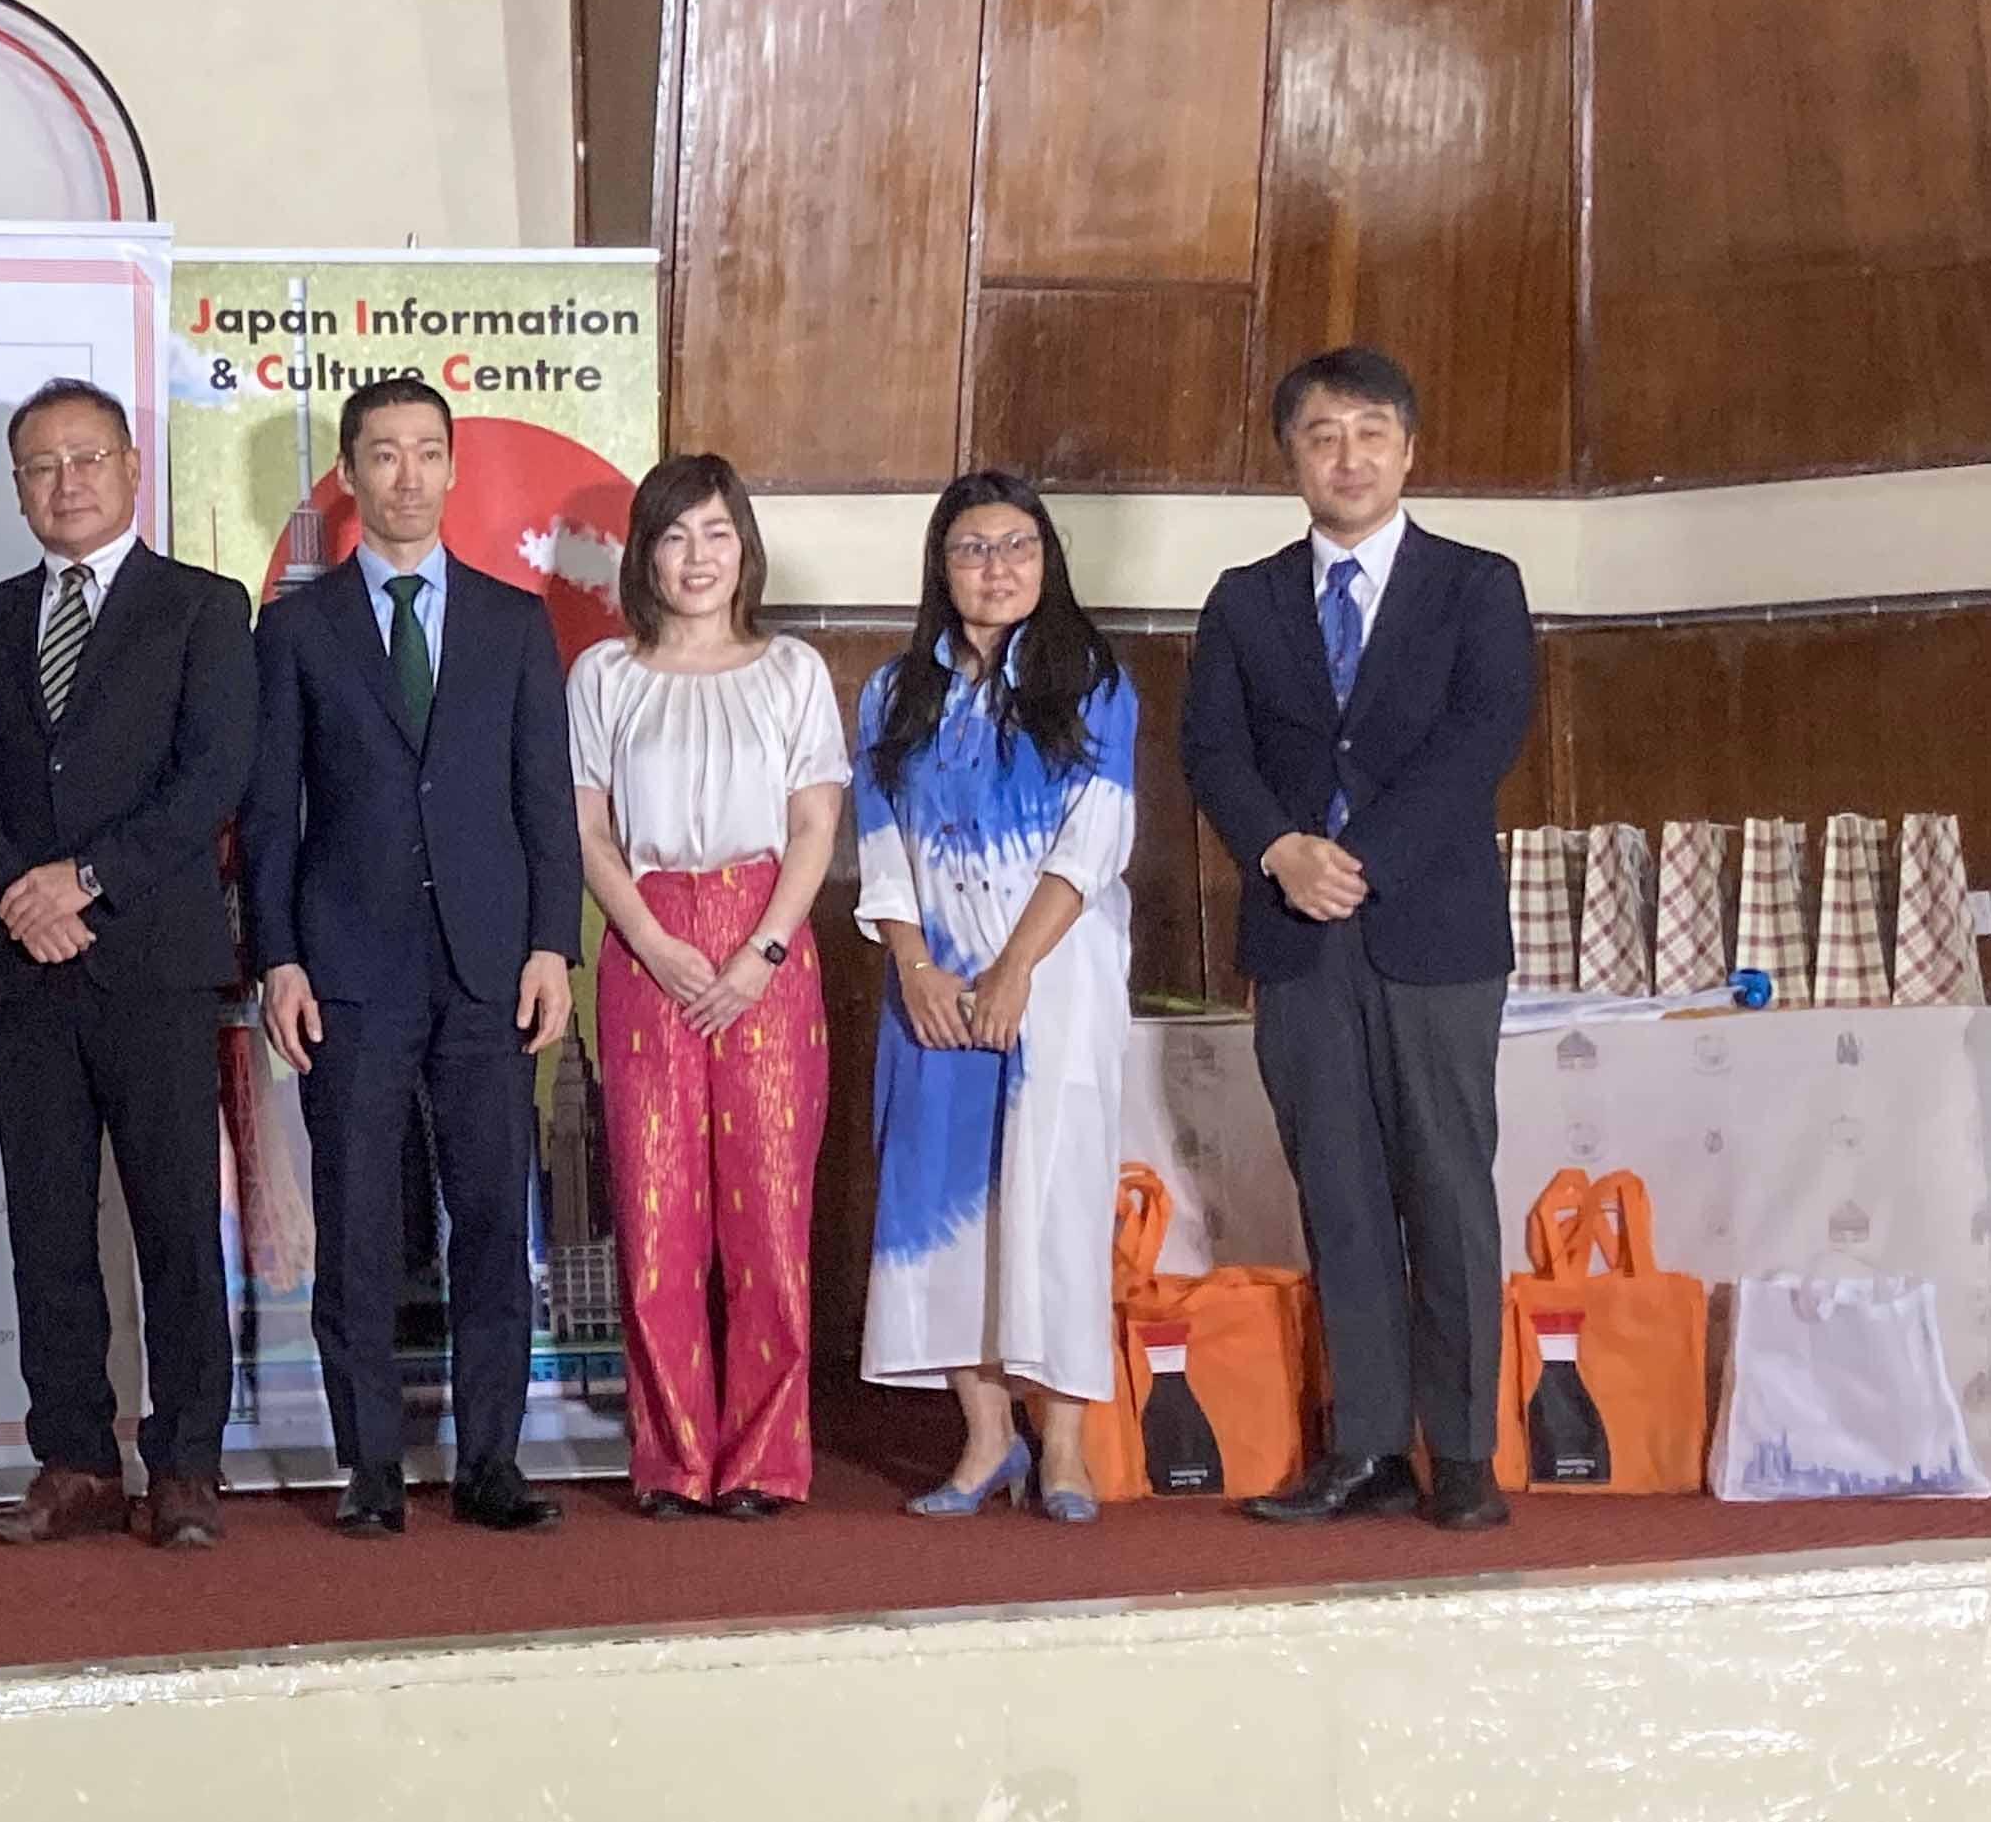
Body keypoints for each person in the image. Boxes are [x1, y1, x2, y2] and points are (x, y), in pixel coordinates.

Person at [1183, 347, 1532, 1533]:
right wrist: (1280, 851)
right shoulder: (1242, 598)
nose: (1347, 456)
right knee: (1335, 1195)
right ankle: (1366, 1447)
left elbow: (1481, 737)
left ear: (1407, 451)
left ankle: (1467, 1452)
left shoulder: (1475, 584)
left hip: (1431, 935)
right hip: (1295, 935)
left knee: (1446, 1189)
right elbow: (1211, 753)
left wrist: (1358, 855)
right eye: (1322, 434)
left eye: (1369, 432)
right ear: (1288, 457)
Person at [0, 380, 255, 1552]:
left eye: (85, 459)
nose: (65, 483)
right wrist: (20, 891)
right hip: (22, 967)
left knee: (170, 1221)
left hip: (150, 960)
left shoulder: (204, 608)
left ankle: (187, 1466)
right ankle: (70, 1459)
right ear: (15, 489)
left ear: (129, 466)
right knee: (46, 1229)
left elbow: (212, 775)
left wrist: (87, 880)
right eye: (39, 466)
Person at [242, 375, 577, 1539]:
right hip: (347, 966)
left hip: (489, 964)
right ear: (349, 474)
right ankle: (369, 1470)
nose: (405, 475)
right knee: (355, 1226)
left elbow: (544, 802)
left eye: (426, 452)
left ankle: (490, 1462)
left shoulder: (510, 620)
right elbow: (271, 810)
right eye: (380, 454)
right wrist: (277, 958)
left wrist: (551, 944)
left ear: (450, 468)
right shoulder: (292, 627)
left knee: (491, 1218)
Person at [852, 470, 1137, 1522]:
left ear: (1045, 559)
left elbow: (1092, 842)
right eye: (971, 549)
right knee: (938, 1209)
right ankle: (982, 1443)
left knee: (1050, 1201)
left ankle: (1061, 1446)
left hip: (1051, 987)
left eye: (1015, 547)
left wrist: (1014, 967)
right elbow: (878, 848)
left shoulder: (1095, 681)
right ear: (940, 564)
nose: (995, 569)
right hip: (929, 990)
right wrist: (915, 966)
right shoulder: (892, 692)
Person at [566, 453, 844, 1520]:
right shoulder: (603, 676)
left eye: (715, 534)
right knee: (653, 1213)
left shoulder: (790, 671)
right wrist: (644, 934)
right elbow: (589, 831)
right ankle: (671, 1458)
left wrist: (759, 952)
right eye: (674, 536)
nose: (696, 557)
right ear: (644, 554)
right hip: (644, 944)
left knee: (768, 1217)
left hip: (765, 937)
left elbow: (815, 824)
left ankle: (766, 1457)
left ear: (743, 549)